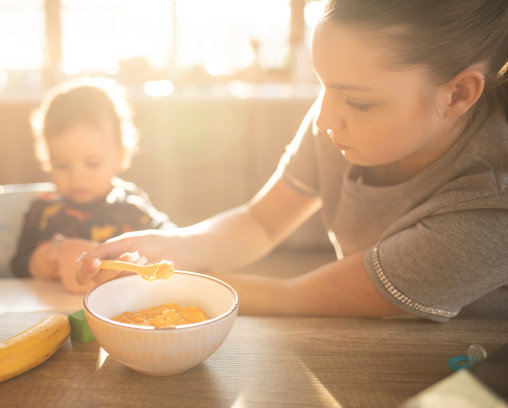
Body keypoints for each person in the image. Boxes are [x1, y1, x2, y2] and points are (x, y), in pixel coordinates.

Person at [77, 0, 508, 322]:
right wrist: (173, 247)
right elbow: (261, 222)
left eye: (357, 100)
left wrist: (164, 286)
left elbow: (293, 298)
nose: (322, 119)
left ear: (458, 94)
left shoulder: (491, 208)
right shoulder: (341, 124)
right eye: (323, 84)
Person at [10, 77, 174, 293]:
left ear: (120, 156)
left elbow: (172, 242)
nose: (77, 177)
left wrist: (140, 260)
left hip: (121, 310)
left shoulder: (132, 206)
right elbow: (17, 267)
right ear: (47, 159)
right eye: (61, 165)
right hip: (53, 312)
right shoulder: (41, 211)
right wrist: (49, 257)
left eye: (92, 164)